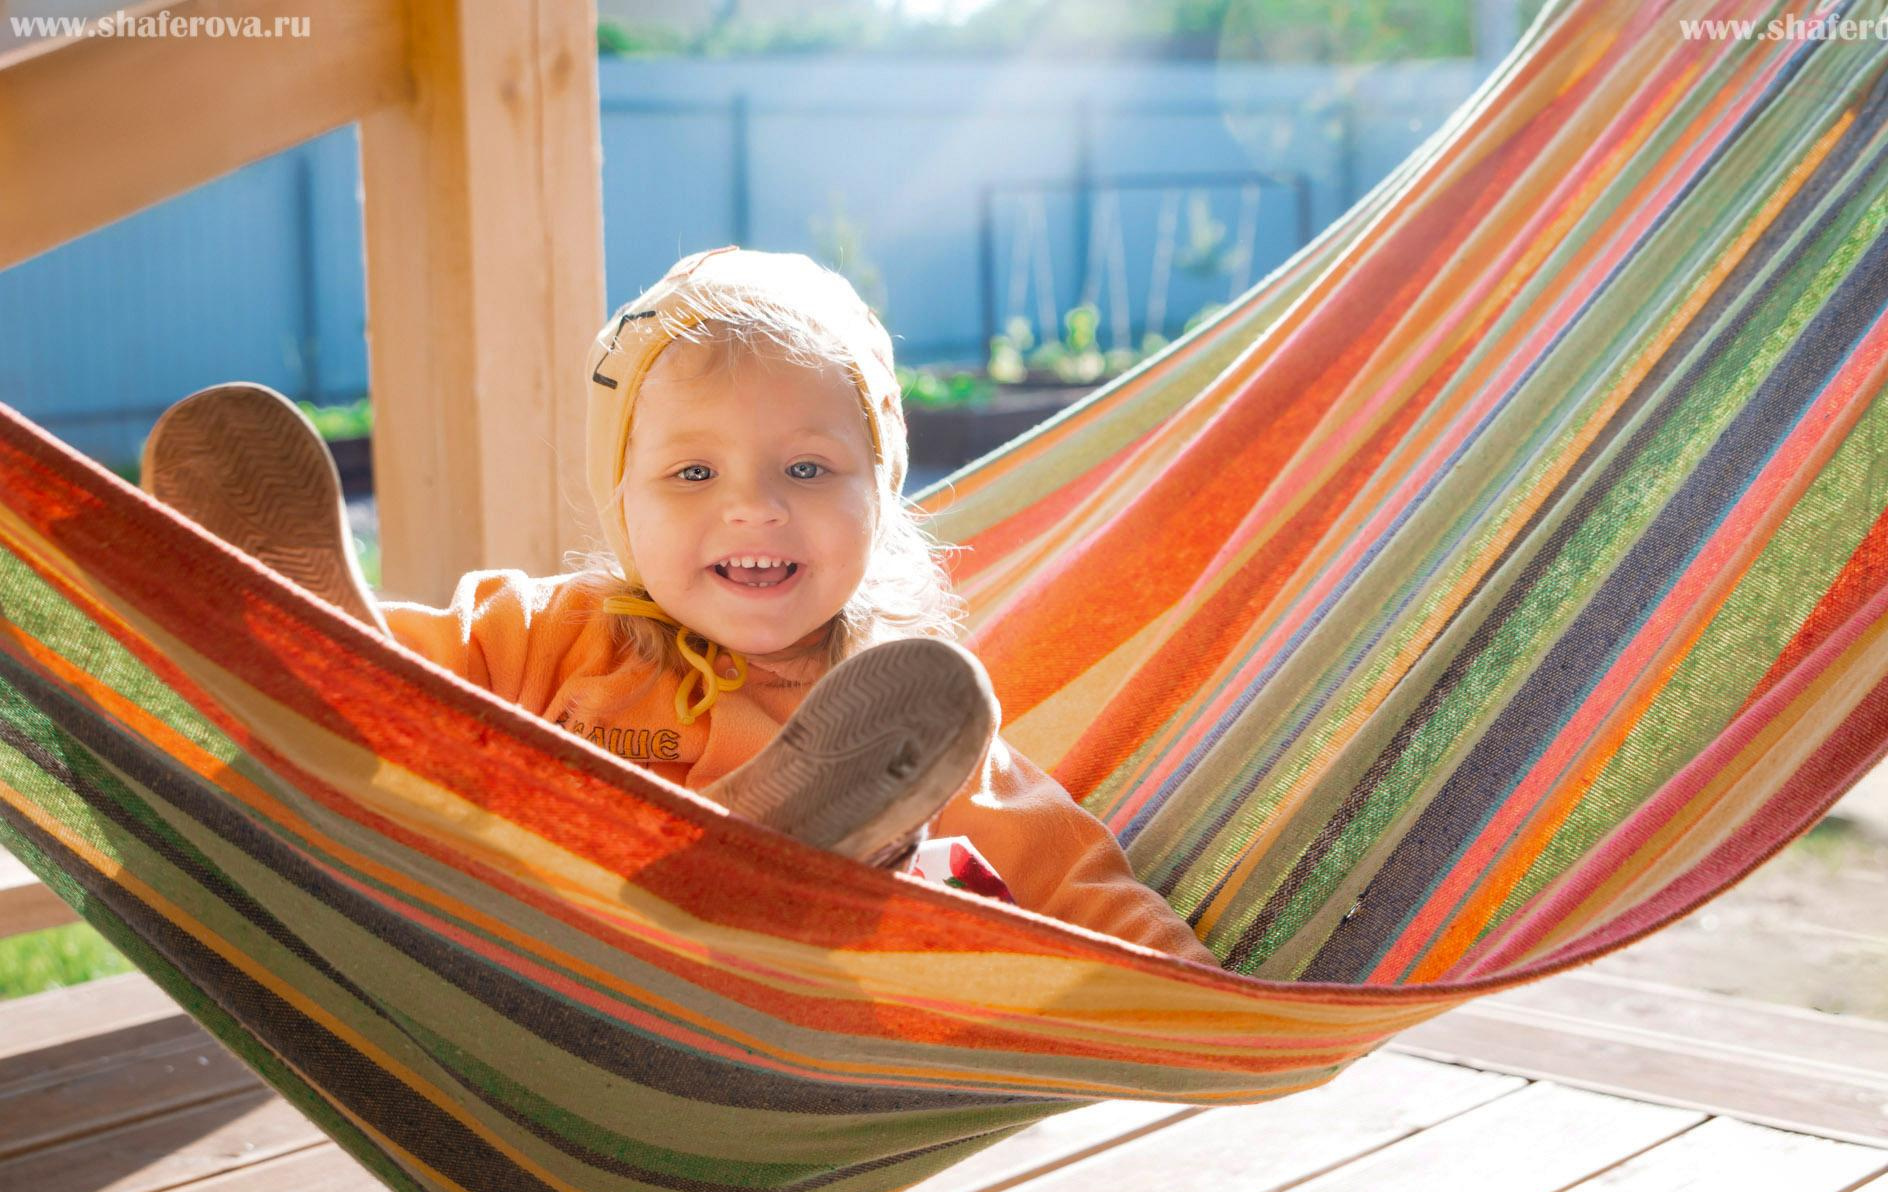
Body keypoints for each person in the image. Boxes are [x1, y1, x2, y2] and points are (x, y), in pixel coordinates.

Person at [141, 246, 1216, 965]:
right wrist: (331, 657)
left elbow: (1065, 870)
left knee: (927, 861)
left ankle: (766, 866)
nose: (752, 509)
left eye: (806, 470)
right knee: (386, 717)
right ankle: (282, 618)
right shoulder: (553, 631)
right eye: (691, 476)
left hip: (764, 1019)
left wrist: (1179, 989)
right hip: (521, 954)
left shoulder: (907, 713)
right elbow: (406, 678)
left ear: (879, 490)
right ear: (622, 506)